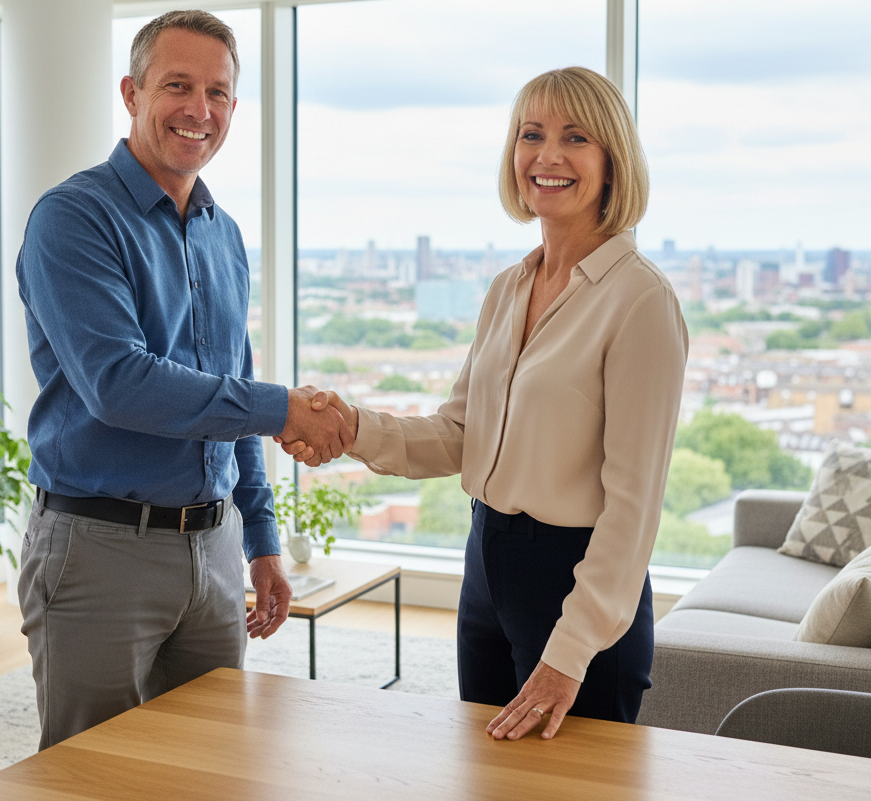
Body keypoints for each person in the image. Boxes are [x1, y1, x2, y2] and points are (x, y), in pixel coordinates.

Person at [280, 67, 688, 741]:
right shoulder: (509, 287)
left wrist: (568, 653)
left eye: (575, 137)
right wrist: (352, 428)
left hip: (575, 583)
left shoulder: (640, 300)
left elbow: (634, 510)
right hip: (486, 567)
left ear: (612, 163)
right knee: (488, 787)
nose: (547, 155)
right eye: (532, 135)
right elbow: (459, 433)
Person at [16, 10, 354, 749]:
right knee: (91, 779)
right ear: (132, 93)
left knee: (209, 777)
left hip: (213, 549)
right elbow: (121, 383)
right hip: (100, 548)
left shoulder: (221, 232)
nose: (200, 110)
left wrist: (261, 538)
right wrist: (283, 409)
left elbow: (230, 389)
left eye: (219, 92)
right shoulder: (73, 219)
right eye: (178, 85)